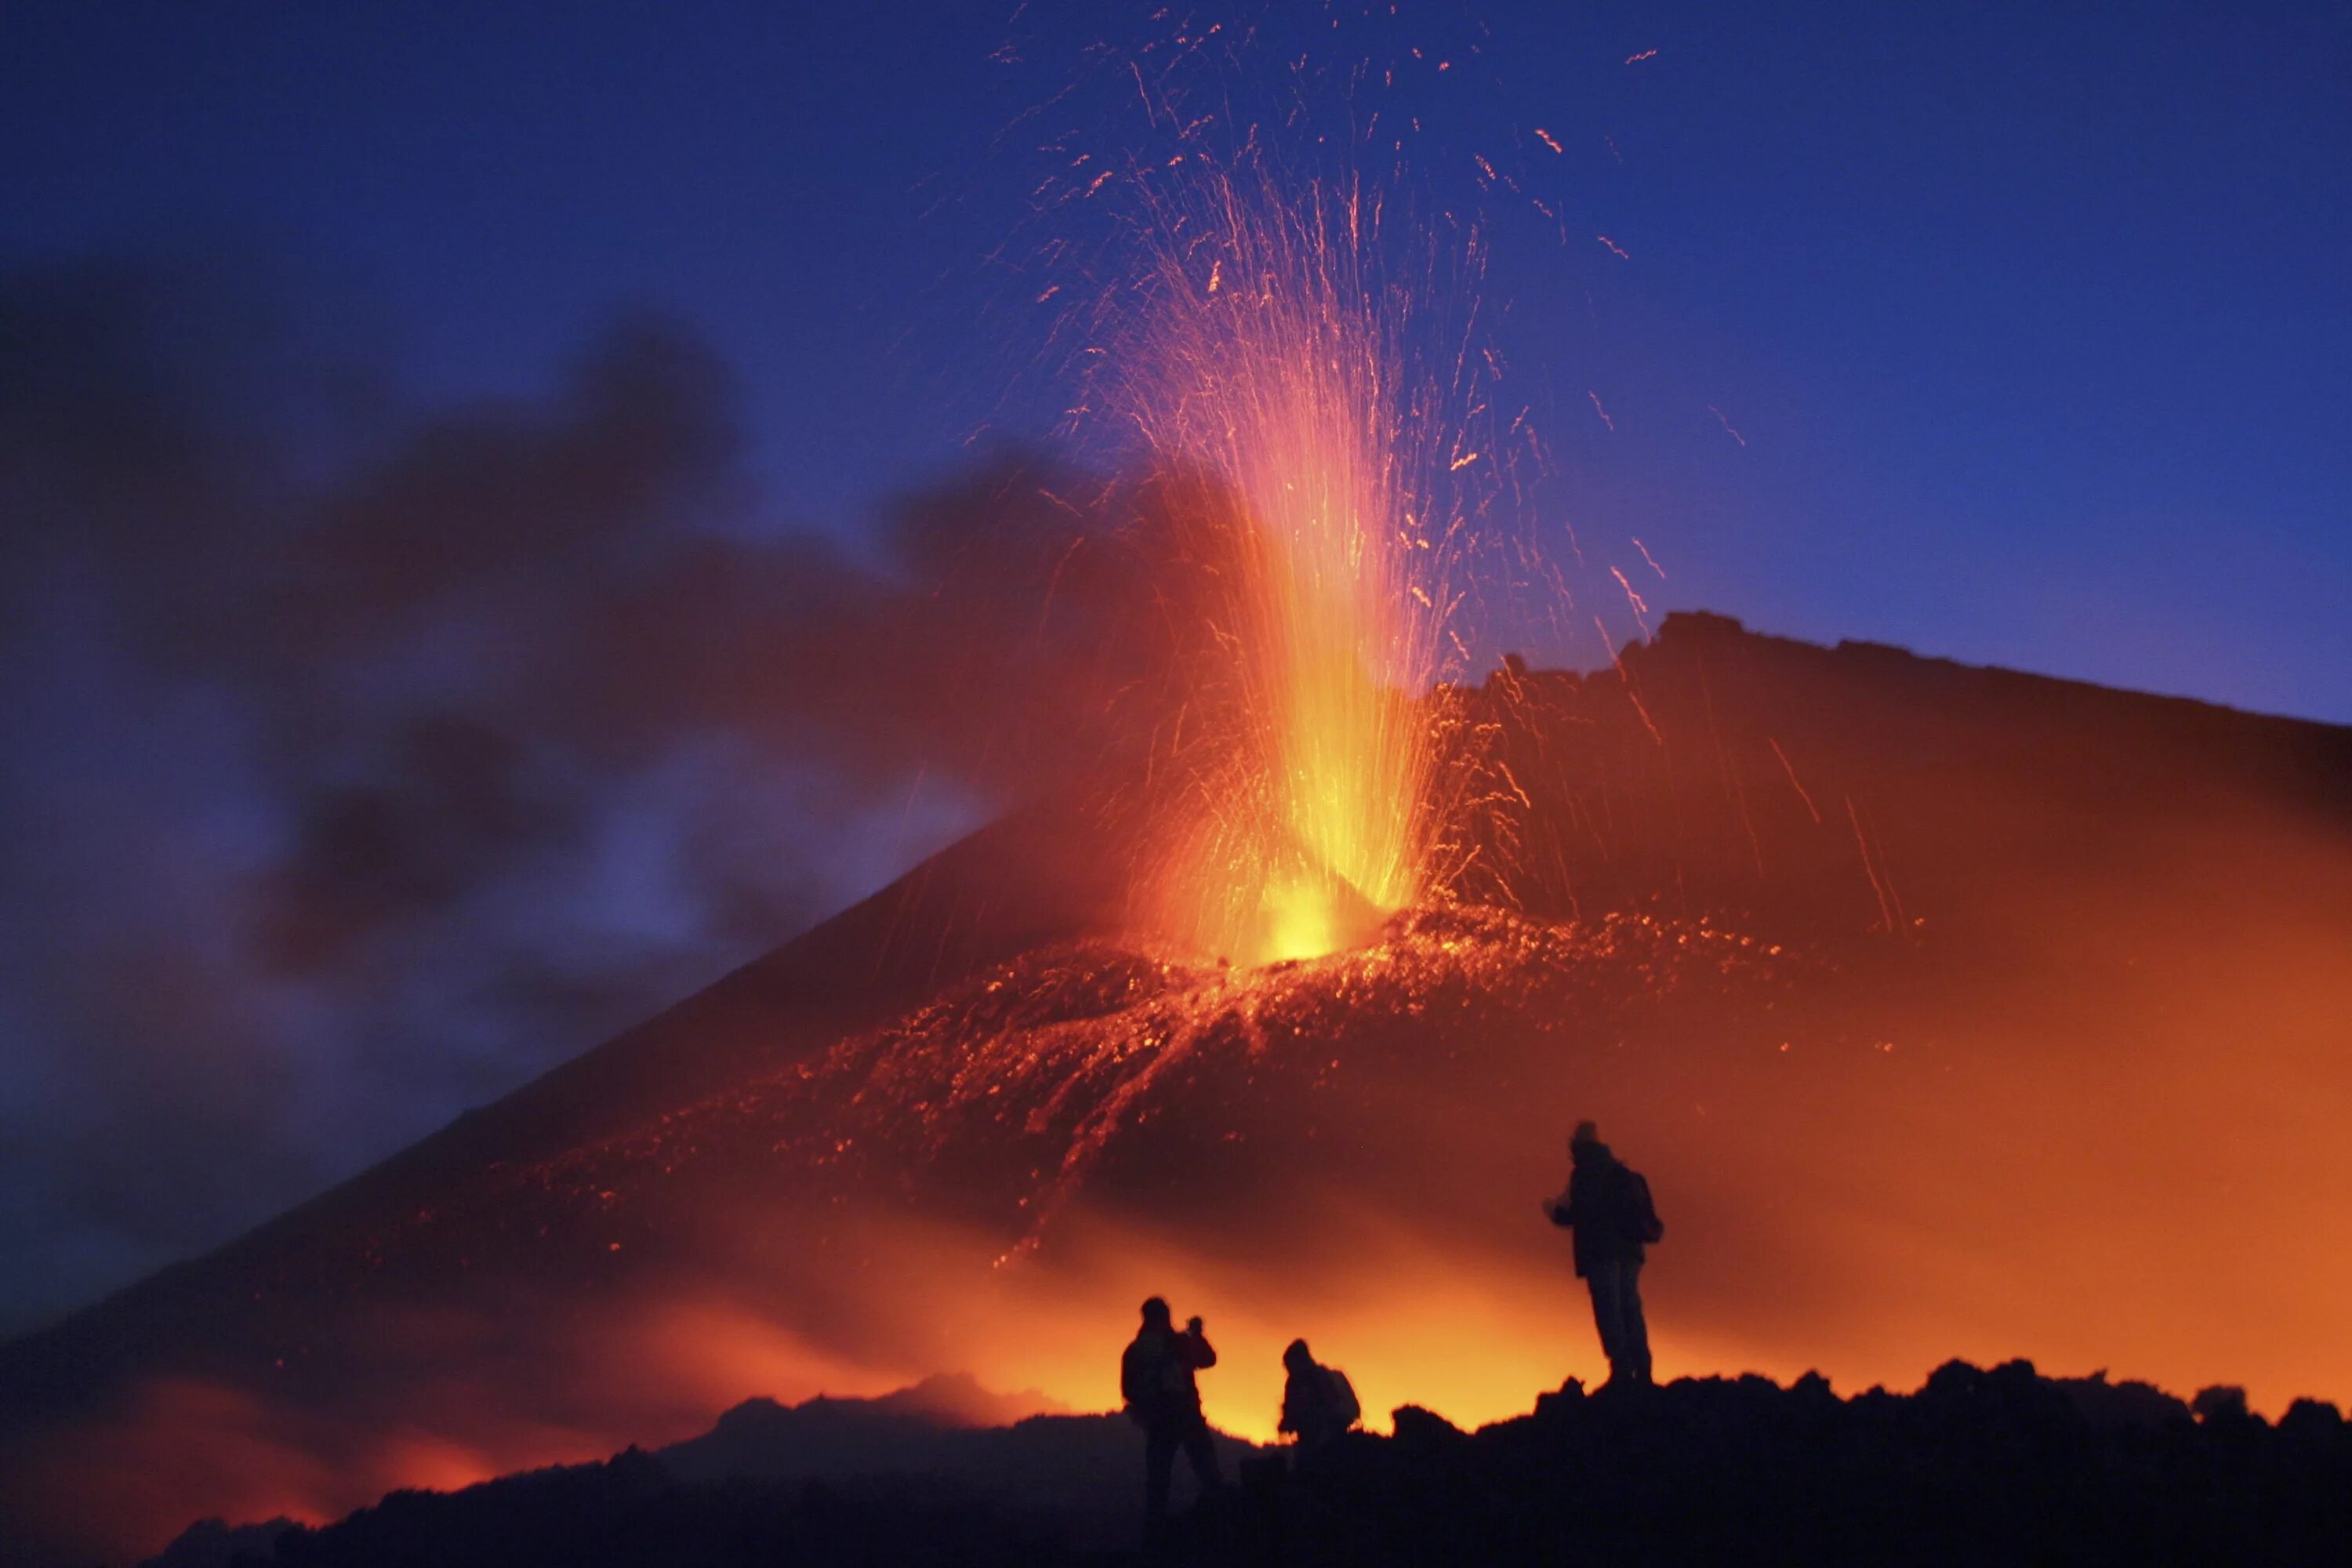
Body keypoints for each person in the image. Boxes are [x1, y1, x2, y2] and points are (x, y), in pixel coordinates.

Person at [1541, 1120, 1664, 1388]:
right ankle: (1642, 1370)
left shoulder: (1584, 1174)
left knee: (1609, 1309)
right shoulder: (1618, 1170)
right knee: (1630, 1306)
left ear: (1577, 1146)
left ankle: (1621, 1370)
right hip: (1630, 1250)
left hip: (1601, 1251)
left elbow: (1578, 1213)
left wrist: (1552, 1211)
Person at [1121, 1296, 1222, 1522]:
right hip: (1186, 1414)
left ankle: (1156, 1532)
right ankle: (1221, 1520)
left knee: (1158, 1479)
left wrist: (1145, 1410)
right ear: (1165, 1317)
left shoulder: (1136, 1349)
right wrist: (1195, 1333)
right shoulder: (1179, 1342)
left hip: (1157, 1420)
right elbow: (1209, 1359)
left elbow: (1128, 1389)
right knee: (1207, 1469)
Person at [1277, 1338, 1362, 1459]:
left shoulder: (1318, 1378)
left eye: (1290, 1366)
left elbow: (1328, 1407)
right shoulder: (1294, 1383)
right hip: (1315, 1440)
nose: (1289, 1371)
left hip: (1327, 1440)